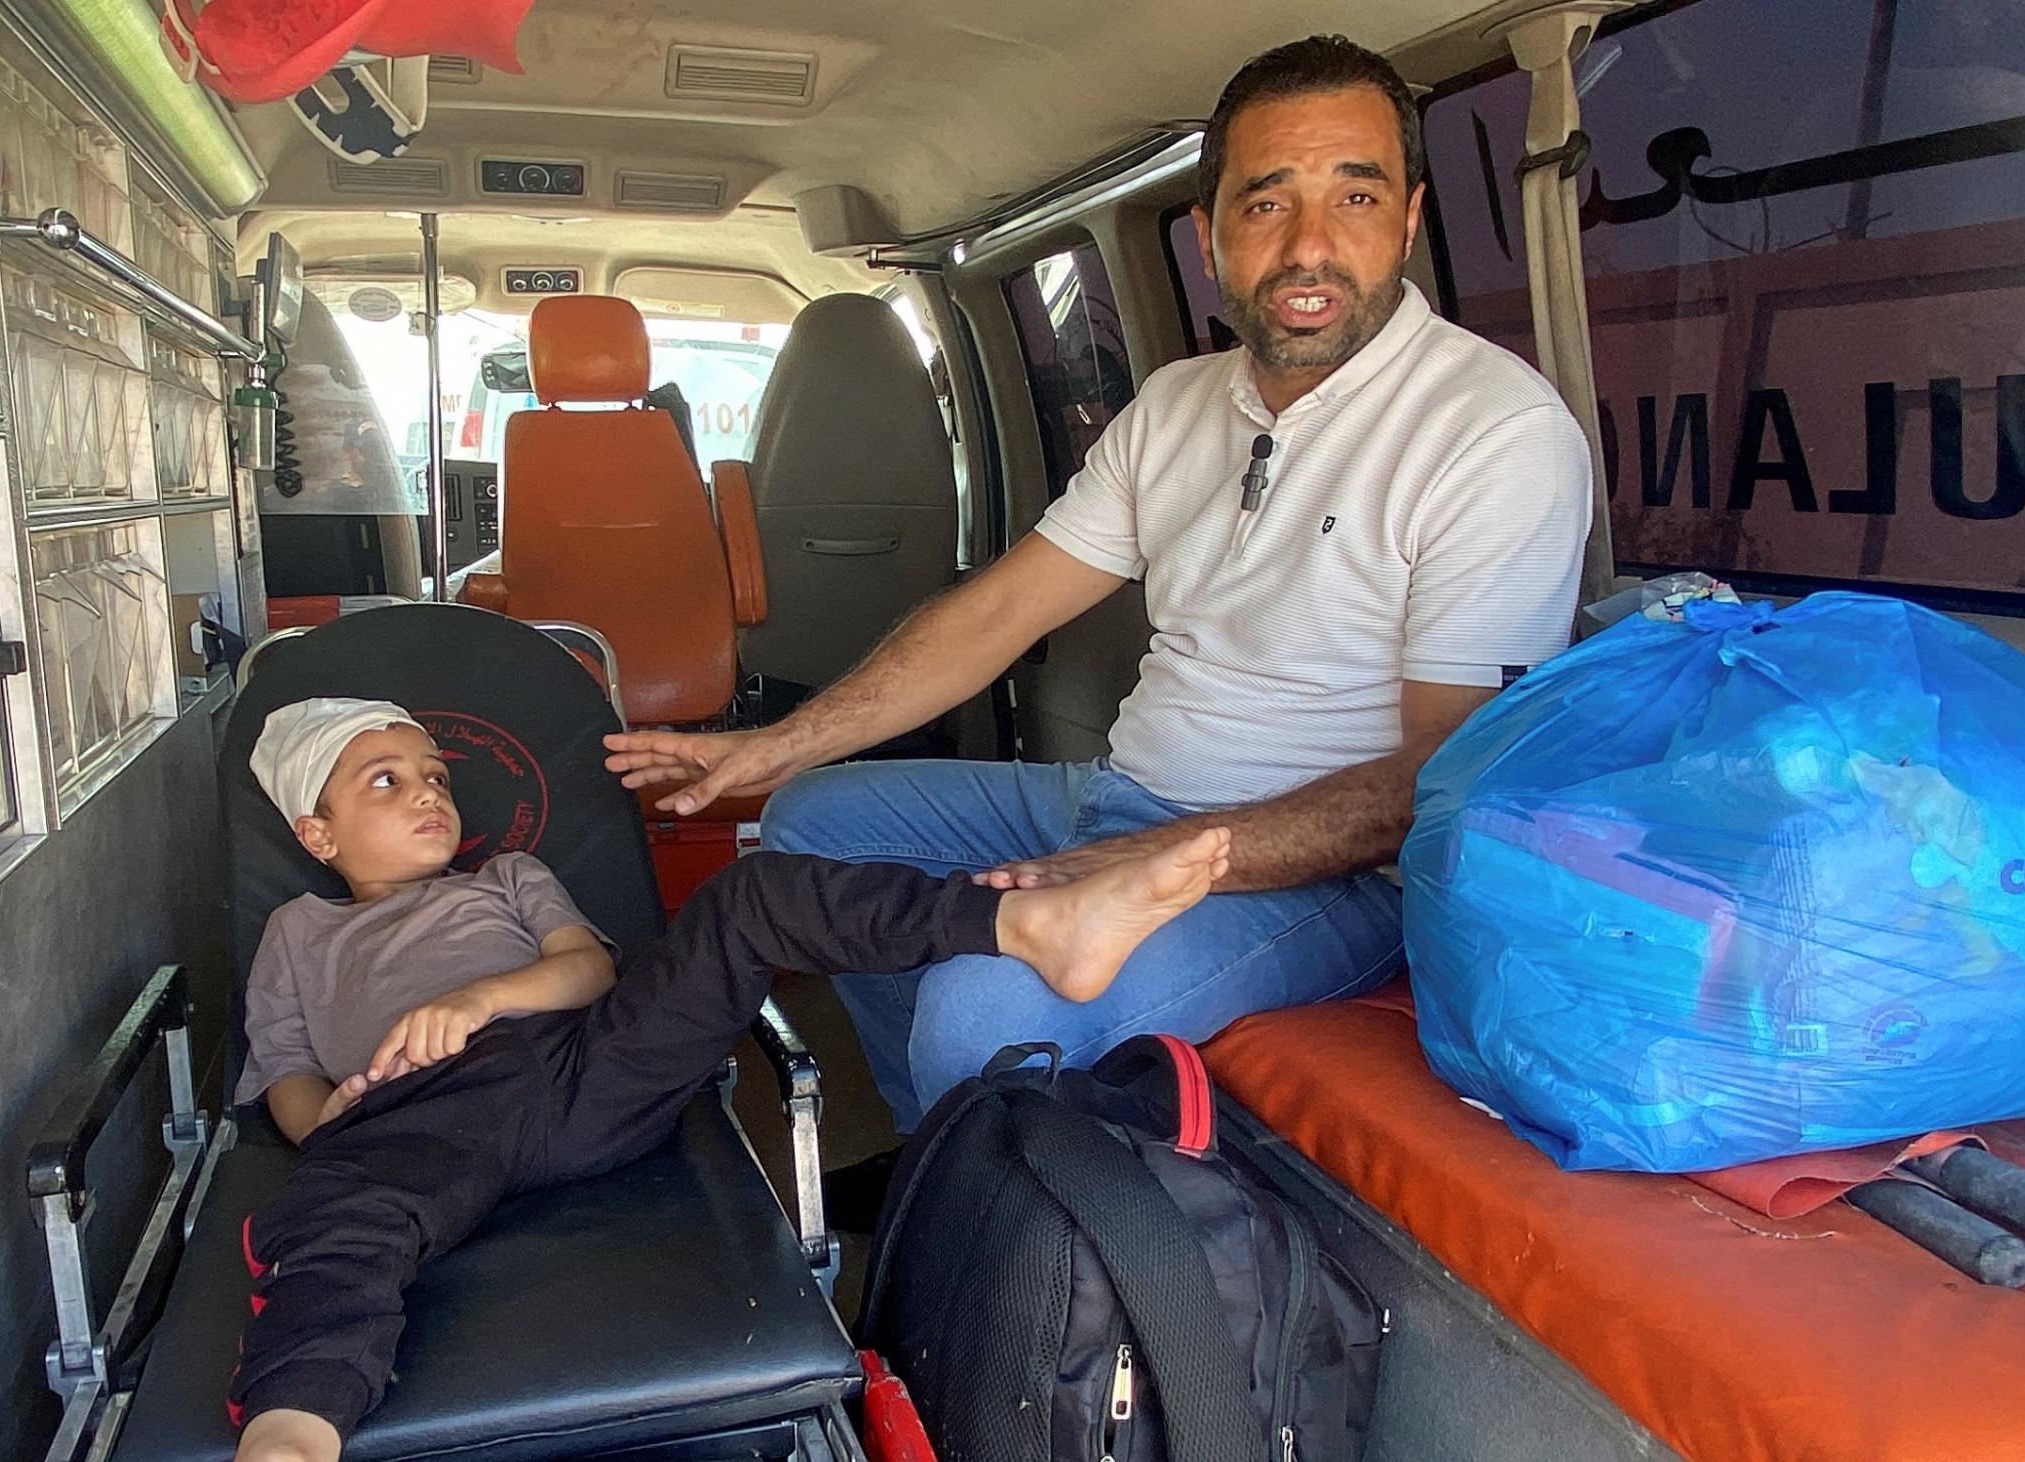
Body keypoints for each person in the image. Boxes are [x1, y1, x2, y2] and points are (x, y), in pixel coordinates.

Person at [605, 35, 1593, 1158]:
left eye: (1353, 195)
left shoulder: (1491, 431)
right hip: (1117, 794)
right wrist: (778, 746)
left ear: (1408, 218)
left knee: (983, 1009)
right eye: (1265, 203)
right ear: (1210, 233)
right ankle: (952, 1170)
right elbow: (997, 612)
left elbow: (1435, 784)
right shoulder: (1177, 405)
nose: (1311, 244)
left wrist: (1148, 862)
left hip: (1334, 874)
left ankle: (1000, 1240)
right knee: (809, 834)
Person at [227, 698, 1232, 1462]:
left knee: (750, 894)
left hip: (579, 1066)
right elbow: (283, 1067)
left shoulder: (507, 880)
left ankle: (1026, 925)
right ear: (316, 837)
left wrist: (482, 999)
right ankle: (292, 1429)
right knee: (336, 1235)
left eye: (433, 773)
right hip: (408, 1118)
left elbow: (589, 970)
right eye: (385, 784)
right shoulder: (299, 933)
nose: (429, 794)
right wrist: (332, 1127)